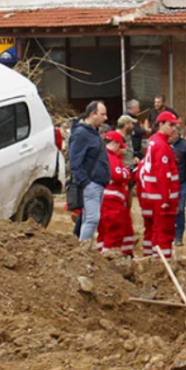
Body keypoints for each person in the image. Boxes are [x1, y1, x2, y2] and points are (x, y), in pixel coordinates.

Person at [138, 111, 181, 260]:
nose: (174, 128)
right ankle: (163, 264)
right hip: (162, 199)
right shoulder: (162, 145)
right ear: (161, 124)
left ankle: (150, 261)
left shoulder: (153, 141)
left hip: (152, 195)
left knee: (153, 231)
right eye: (170, 125)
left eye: (175, 125)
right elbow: (163, 175)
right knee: (164, 234)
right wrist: (165, 199)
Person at [68, 101, 109, 244]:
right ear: (92, 114)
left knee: (89, 219)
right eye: (102, 114)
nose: (105, 118)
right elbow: (74, 162)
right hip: (91, 184)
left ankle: (86, 249)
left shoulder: (92, 133)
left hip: (96, 183)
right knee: (92, 219)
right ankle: (83, 250)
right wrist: (85, 183)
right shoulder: (82, 134)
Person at [98, 131, 135, 256]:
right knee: (113, 232)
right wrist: (128, 173)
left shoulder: (102, 156)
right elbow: (118, 175)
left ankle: (103, 254)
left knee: (104, 232)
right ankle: (109, 258)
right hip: (112, 203)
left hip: (107, 201)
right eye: (120, 147)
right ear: (115, 143)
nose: (121, 151)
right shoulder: (111, 158)